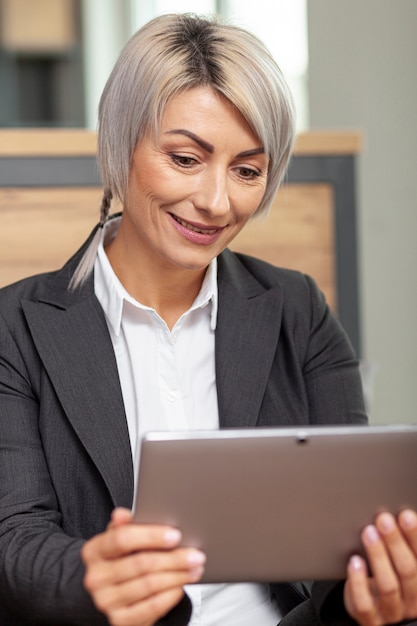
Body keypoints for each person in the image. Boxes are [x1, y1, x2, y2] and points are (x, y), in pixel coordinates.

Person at [1, 12, 417, 626]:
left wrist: (371, 592)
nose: (216, 202)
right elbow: (14, 536)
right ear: (122, 146)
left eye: (247, 170)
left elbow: (343, 538)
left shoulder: (298, 311)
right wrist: (94, 576)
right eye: (185, 158)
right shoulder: (16, 325)